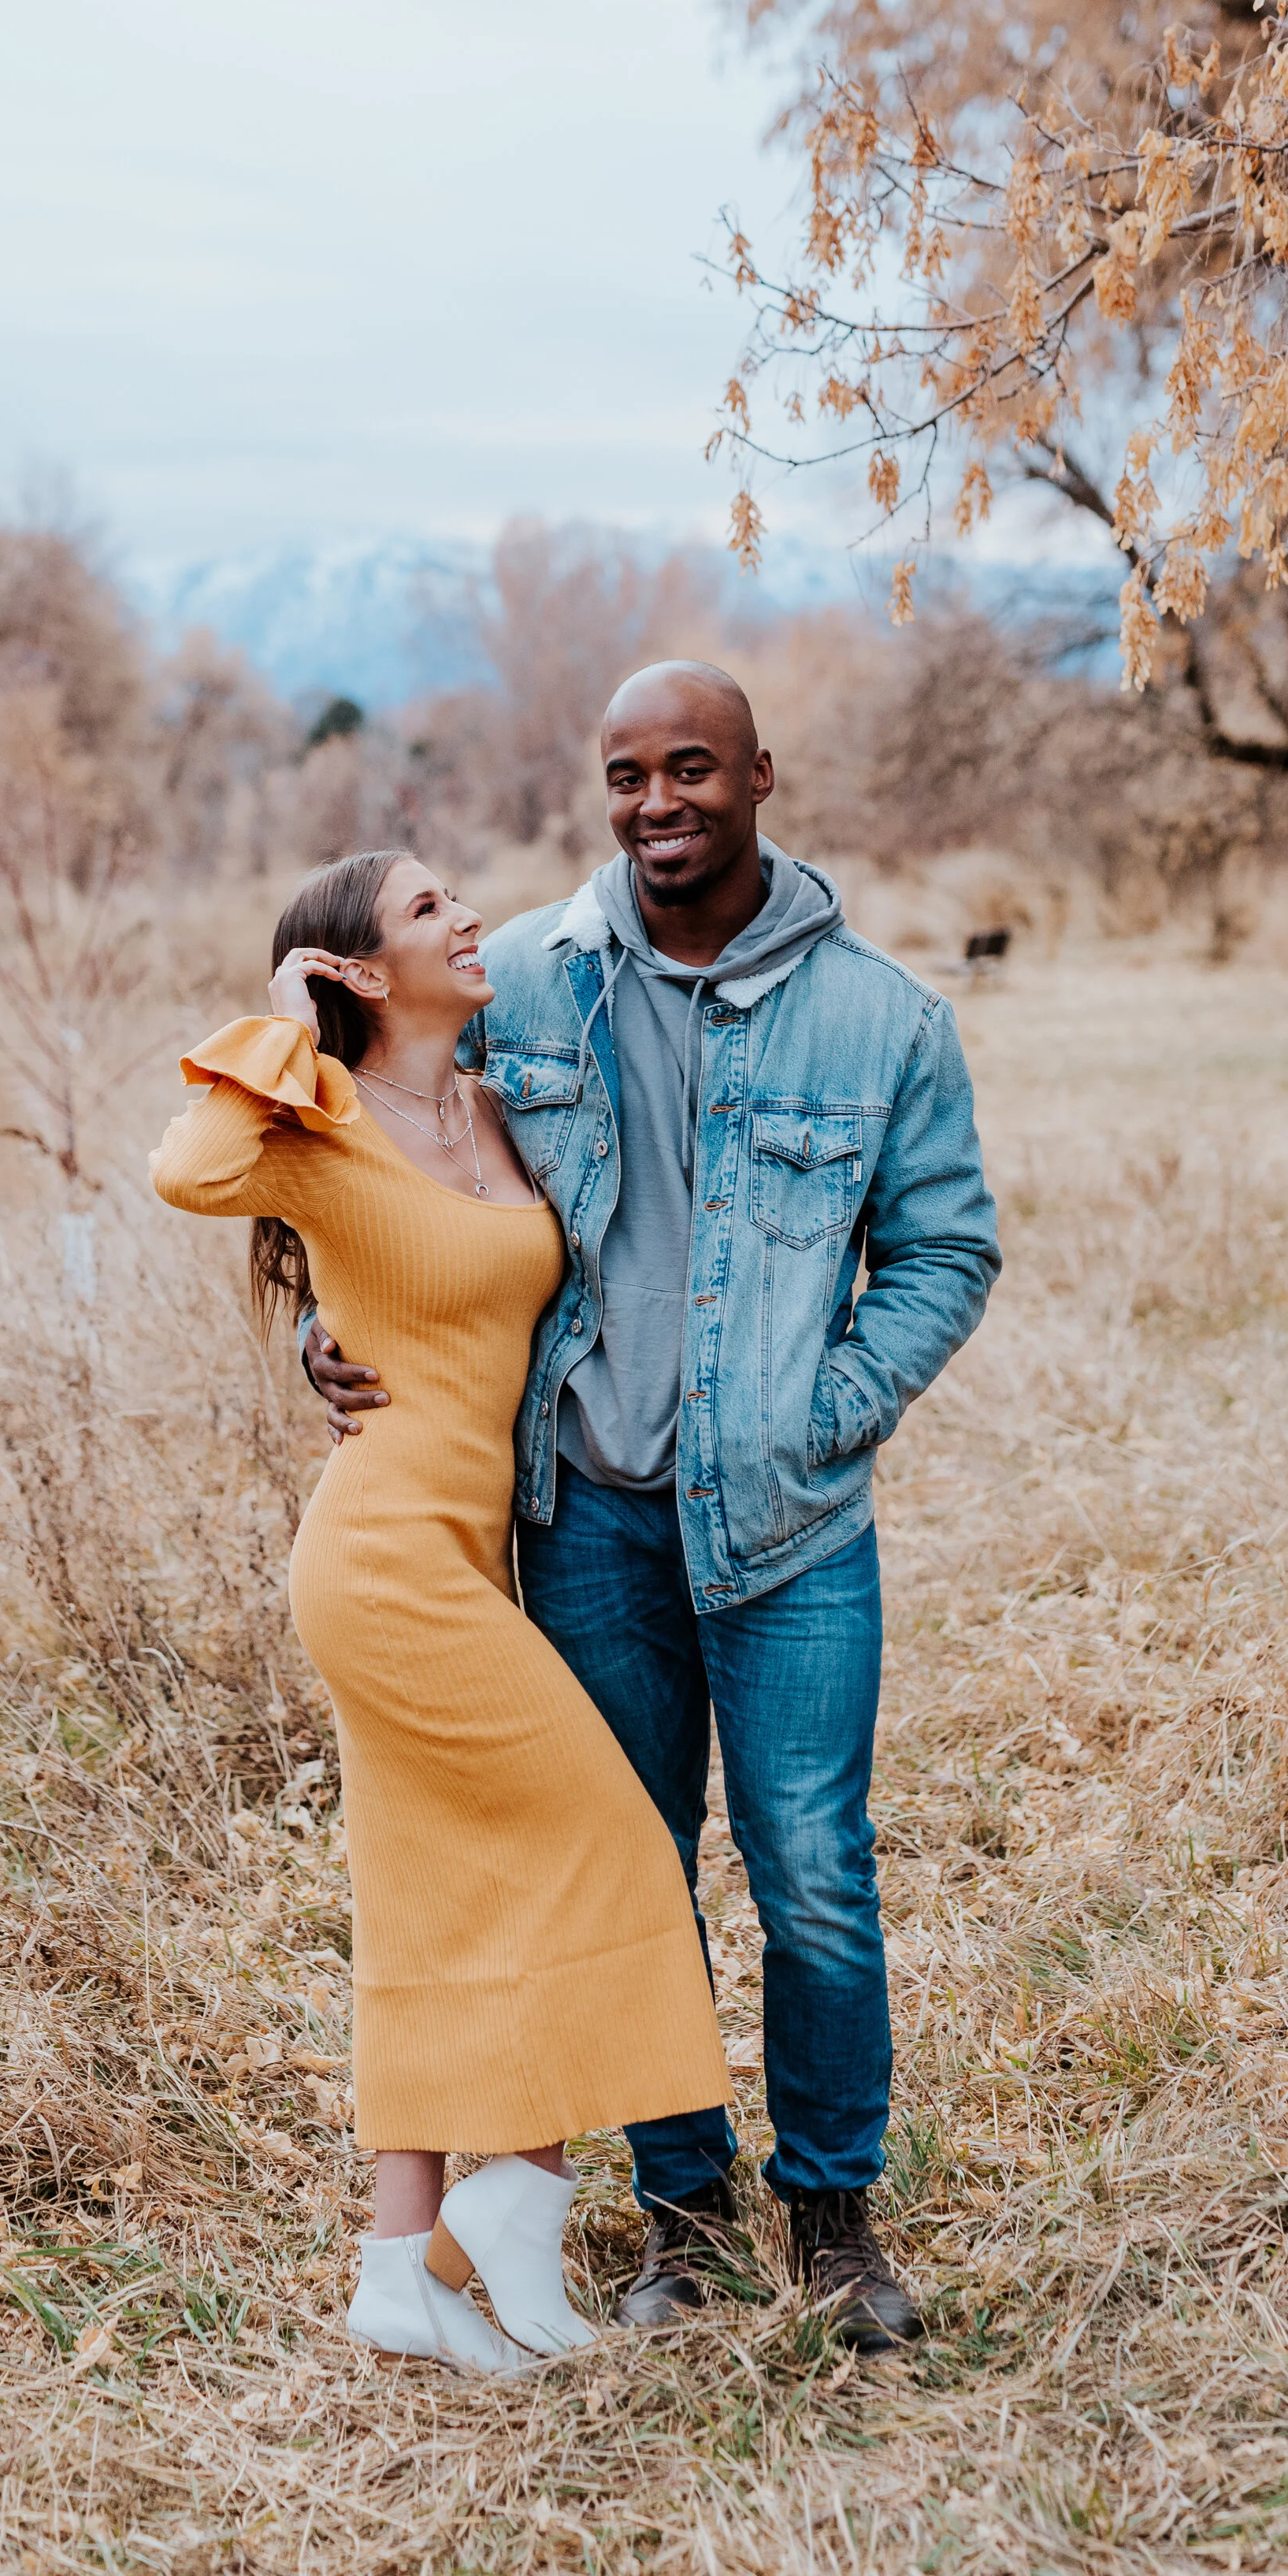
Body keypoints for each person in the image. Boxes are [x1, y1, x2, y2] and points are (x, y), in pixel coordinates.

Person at [304, 664, 1000, 2349]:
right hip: (587, 1517)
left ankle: (831, 2221)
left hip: (789, 1531)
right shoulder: (528, 981)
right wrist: (349, 1316)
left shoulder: (882, 1020)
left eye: (690, 769)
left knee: (814, 1870)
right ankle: (677, 2222)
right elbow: (376, 1142)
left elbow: (944, 1249)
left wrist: (824, 1414)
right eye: (626, 775)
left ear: (761, 773)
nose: (656, 804)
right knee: (634, 1866)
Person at [150, 849, 732, 2373]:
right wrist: (280, 1015)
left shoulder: (490, 1104)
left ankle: (404, 2271)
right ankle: (519, 2209)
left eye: (457, 897)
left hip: (476, 1549)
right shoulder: (312, 1123)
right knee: (605, 1838)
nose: (468, 918)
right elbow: (190, 1174)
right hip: (386, 1560)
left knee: (434, 1895)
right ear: (355, 970)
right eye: (425, 911)